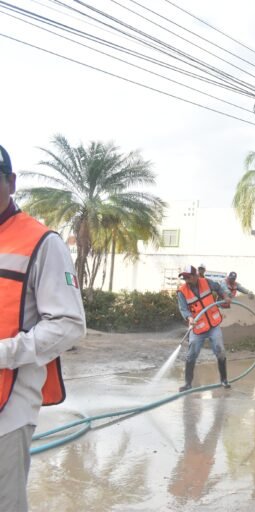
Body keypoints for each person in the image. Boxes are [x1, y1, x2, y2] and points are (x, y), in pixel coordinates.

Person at [0, 144, 87, 511]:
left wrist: (4, 353)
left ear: (11, 183)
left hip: (8, 410)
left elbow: (69, 325)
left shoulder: (42, 243)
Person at [177, 264, 232, 391]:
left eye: (188, 277)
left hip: (213, 324)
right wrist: (189, 318)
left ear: (195, 276)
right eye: (184, 278)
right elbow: (183, 309)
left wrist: (225, 296)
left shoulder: (206, 282)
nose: (186, 280)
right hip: (197, 327)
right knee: (191, 354)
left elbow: (218, 288)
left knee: (220, 350)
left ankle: (224, 380)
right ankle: (188, 384)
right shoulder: (182, 291)